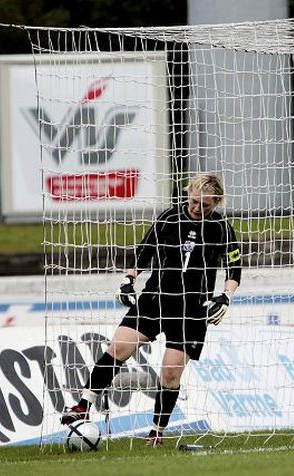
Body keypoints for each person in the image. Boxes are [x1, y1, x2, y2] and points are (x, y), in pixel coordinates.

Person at [60, 173, 242, 447]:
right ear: (188, 193)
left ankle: (157, 432)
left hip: (192, 309)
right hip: (156, 297)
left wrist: (225, 297)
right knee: (119, 346)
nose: (197, 208)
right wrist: (128, 279)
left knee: (170, 372)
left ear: (216, 202)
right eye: (194, 201)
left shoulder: (222, 228)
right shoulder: (169, 218)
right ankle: (84, 405)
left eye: (205, 205)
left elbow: (234, 269)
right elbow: (144, 251)